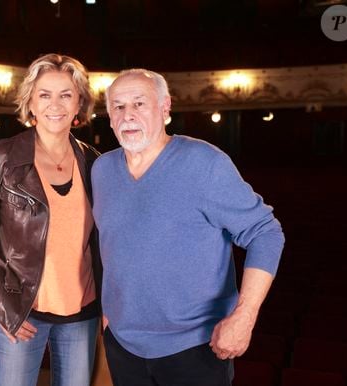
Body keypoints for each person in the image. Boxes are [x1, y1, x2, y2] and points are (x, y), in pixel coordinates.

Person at [91, 69, 285, 386]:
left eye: (139, 103)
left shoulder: (203, 162)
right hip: (123, 346)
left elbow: (266, 233)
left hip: (195, 349)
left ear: (165, 108)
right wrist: (110, 312)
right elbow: (113, 245)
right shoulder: (102, 170)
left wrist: (244, 316)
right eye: (118, 106)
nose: (127, 115)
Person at [0, 53, 101, 386]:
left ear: (79, 102)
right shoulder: (3, 158)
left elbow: (103, 242)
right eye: (45, 94)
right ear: (31, 103)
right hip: (21, 310)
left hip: (82, 314)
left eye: (66, 94)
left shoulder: (94, 162)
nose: (56, 104)